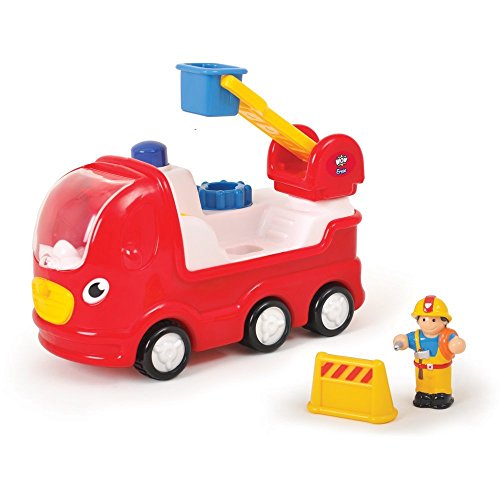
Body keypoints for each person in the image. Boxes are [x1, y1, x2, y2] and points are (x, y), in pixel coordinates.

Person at [393, 295, 466, 409]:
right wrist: (400, 341)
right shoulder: (416, 337)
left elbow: (456, 343)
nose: (428, 323)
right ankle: (423, 393)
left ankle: (442, 394)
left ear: (444, 321)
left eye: (433, 320)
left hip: (441, 374)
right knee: (423, 391)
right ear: (418, 320)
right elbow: (405, 339)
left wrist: (457, 344)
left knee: (440, 391)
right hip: (422, 373)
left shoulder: (446, 336)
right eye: (424, 319)